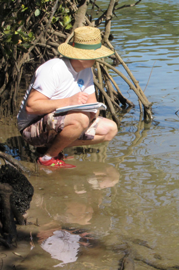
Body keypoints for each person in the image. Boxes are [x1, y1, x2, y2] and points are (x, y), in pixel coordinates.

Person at [17, 26, 118, 168]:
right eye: (96, 54)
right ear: (82, 55)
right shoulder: (53, 69)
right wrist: (68, 102)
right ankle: (47, 158)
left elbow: (92, 102)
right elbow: (31, 106)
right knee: (80, 119)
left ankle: (54, 148)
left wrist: (94, 113)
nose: (99, 58)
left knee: (110, 129)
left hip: (57, 123)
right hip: (31, 128)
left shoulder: (86, 70)